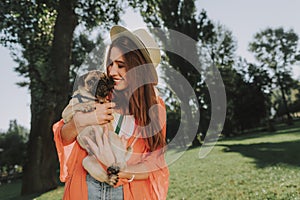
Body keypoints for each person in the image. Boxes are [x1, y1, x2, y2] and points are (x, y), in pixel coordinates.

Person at [53, 25, 169, 200]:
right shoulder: (99, 91)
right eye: (110, 64)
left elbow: (154, 163)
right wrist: (86, 119)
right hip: (85, 187)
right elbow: (63, 136)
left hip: (128, 192)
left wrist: (120, 170)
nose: (112, 72)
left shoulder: (155, 108)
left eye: (121, 65)